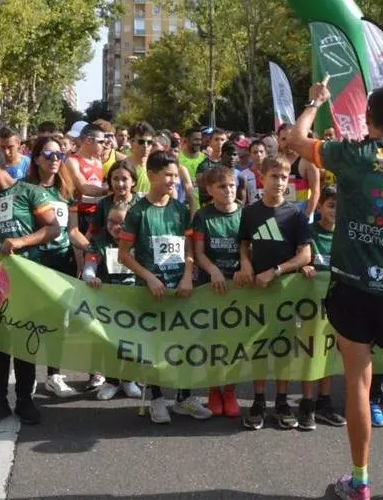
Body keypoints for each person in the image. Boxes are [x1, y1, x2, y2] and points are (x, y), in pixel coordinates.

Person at [285, 83, 383, 500]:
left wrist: (316, 101)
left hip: (352, 284)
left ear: (368, 119)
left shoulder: (349, 155)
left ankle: (360, 481)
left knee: (357, 382)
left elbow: (295, 140)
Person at [118, 150, 212, 424]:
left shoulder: (181, 210)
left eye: (176, 176)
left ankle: (184, 398)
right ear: (152, 175)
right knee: (155, 346)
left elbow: (189, 248)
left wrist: (187, 275)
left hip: (180, 289)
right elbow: (124, 254)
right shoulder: (137, 212)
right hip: (150, 291)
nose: (173, 181)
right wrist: (148, 277)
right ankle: (157, 398)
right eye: (168, 175)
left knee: (183, 344)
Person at [0, 145, 60, 428]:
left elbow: (53, 228)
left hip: (26, 280)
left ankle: (24, 400)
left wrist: (21, 242)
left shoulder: (31, 192)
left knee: (24, 343)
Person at [235, 154, 313, 431]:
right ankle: (258, 400)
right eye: (274, 176)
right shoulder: (251, 212)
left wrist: (276, 271)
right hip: (256, 293)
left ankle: (281, 401)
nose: (280, 182)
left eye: (284, 176)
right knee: (258, 348)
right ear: (262, 178)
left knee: (283, 349)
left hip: (285, 293)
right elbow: (244, 244)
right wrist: (245, 263)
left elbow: (305, 255)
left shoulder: (295, 214)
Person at [27, 136, 93, 396]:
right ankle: (27, 375)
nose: (55, 160)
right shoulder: (24, 189)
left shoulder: (66, 191)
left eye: (59, 155)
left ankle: (54, 375)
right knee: (30, 322)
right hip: (34, 264)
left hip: (63, 262)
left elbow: (73, 231)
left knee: (57, 322)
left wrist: (93, 250)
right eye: (48, 154)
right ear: (36, 159)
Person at [192, 166, 242, 419]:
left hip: (239, 288)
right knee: (212, 341)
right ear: (210, 190)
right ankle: (214, 390)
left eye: (232, 185)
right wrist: (213, 271)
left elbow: (249, 249)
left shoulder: (245, 213)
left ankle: (230, 391)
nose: (229, 191)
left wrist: (246, 268)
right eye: (222, 187)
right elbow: (199, 253)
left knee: (233, 342)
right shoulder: (203, 215)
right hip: (210, 286)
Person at [82, 200, 142, 401]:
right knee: (109, 343)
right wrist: (91, 278)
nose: (115, 227)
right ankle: (112, 381)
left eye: (121, 222)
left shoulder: (139, 239)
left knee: (132, 342)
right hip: (108, 303)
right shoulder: (99, 241)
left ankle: (129, 380)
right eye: (111, 222)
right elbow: (88, 269)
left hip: (135, 299)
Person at [300, 185, 348, 429]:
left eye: (340, 207)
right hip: (312, 305)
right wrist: (303, 268)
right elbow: (300, 258)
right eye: (330, 205)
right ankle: (307, 403)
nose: (335, 211)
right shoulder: (309, 232)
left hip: (339, 304)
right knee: (312, 352)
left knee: (329, 351)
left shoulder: (347, 234)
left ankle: (324, 401)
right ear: (319, 206)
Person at [64, 124, 109, 235]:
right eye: (101, 142)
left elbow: (98, 187)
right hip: (79, 216)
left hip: (98, 214)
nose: (105, 146)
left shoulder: (98, 162)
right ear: (88, 140)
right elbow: (84, 188)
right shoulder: (72, 161)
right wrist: (111, 189)